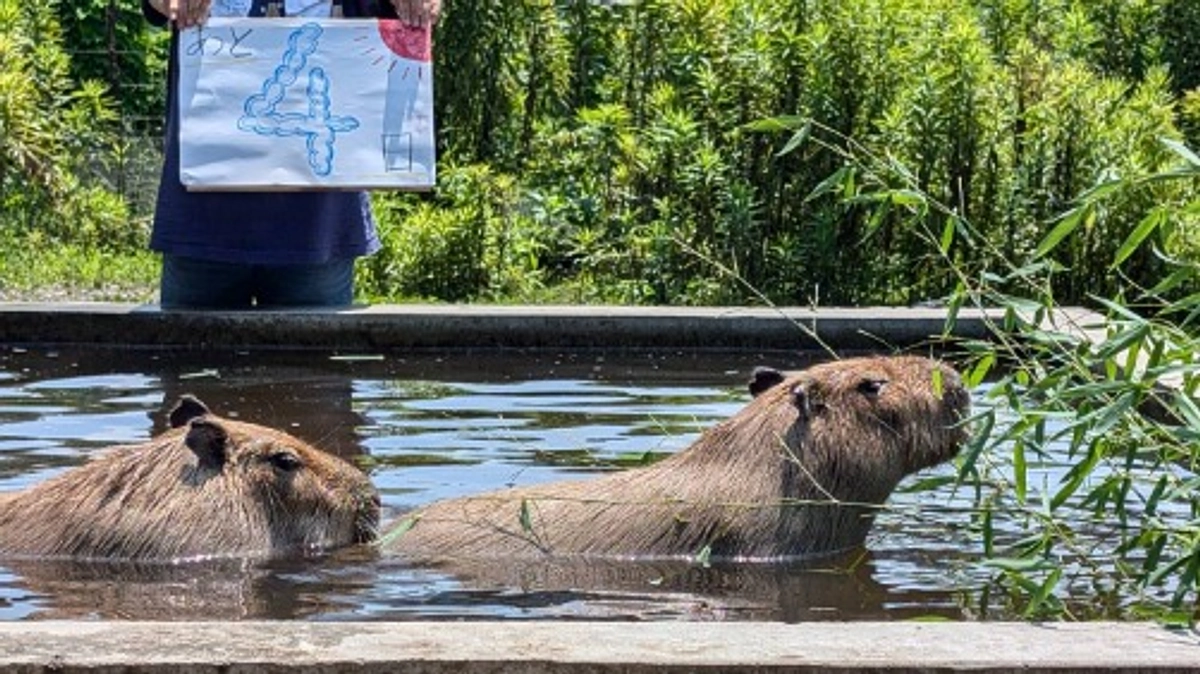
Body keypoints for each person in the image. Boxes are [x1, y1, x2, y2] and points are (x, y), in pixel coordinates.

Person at [143, 0, 440, 309]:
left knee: (308, 356)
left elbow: (409, 13)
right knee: (190, 357)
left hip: (319, 228)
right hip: (200, 225)